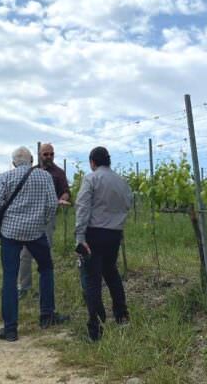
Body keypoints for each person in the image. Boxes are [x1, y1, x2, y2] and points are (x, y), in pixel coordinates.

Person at [0, 146, 69, 342]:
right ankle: (47, 315)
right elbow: (52, 204)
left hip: (10, 233)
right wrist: (41, 222)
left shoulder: (5, 177)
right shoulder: (44, 177)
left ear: (14, 162)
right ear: (32, 159)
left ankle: (10, 329)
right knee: (46, 268)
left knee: (9, 276)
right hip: (36, 232)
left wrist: (8, 218)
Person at [75, 146, 133, 341]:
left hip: (94, 234)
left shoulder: (91, 178)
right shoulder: (122, 182)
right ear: (108, 161)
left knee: (92, 280)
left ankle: (96, 329)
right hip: (114, 234)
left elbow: (83, 208)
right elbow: (127, 205)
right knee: (111, 273)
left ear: (93, 162)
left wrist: (80, 238)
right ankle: (122, 317)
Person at [18, 142, 71, 299]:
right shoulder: (31, 171)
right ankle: (24, 287)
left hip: (47, 218)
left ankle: (44, 289)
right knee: (25, 253)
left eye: (51, 154)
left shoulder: (59, 173)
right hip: (29, 217)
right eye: (45, 154)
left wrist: (61, 199)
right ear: (39, 155)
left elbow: (66, 192)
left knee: (44, 253)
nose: (49, 157)